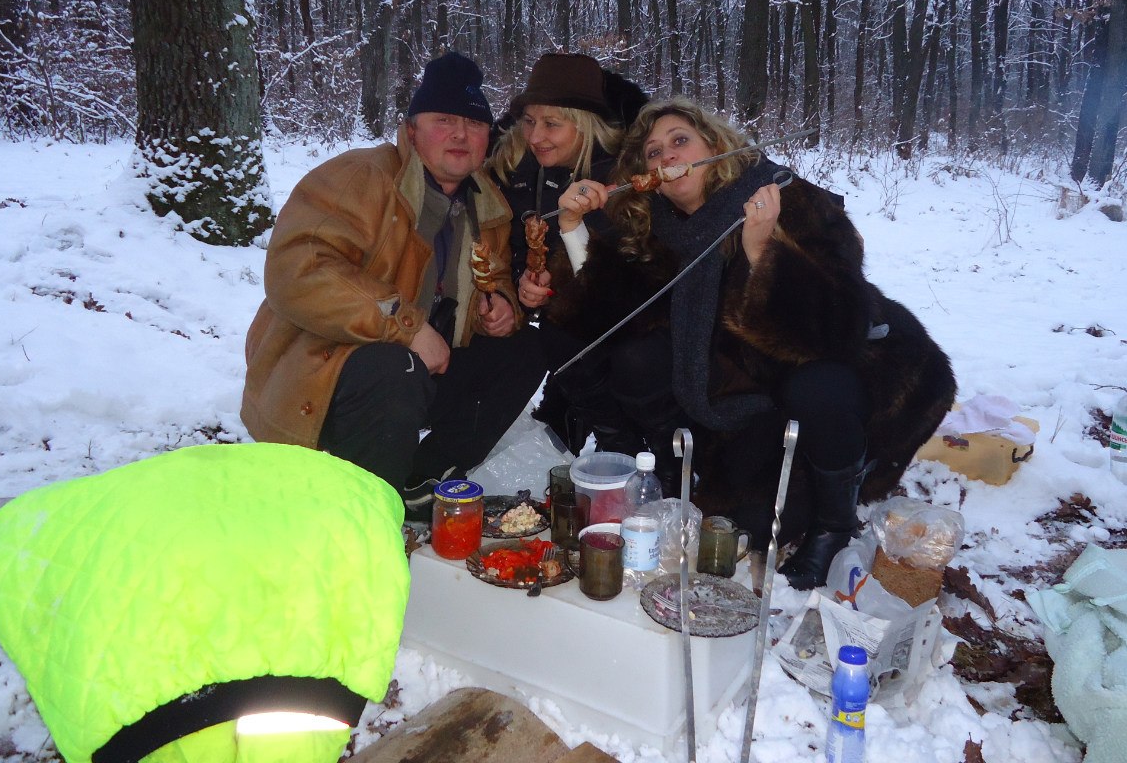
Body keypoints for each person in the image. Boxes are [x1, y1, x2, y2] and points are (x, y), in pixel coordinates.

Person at [545, 97, 956, 590]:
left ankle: (835, 521)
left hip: (859, 374)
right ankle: (674, 474)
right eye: (653, 153)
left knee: (815, 388)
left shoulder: (786, 198)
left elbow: (839, 326)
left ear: (714, 146)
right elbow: (610, 316)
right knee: (744, 526)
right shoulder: (660, 231)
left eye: (680, 141)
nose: (667, 157)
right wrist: (572, 227)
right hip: (751, 403)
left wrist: (763, 253)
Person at [240, 52, 545, 513]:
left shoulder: (486, 203)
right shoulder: (361, 176)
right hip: (329, 366)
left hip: (426, 365)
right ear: (411, 130)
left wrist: (500, 304)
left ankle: (424, 478)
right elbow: (299, 268)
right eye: (444, 120)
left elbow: (494, 273)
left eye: (474, 123)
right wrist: (406, 326)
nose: (460, 134)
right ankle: (364, 512)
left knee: (526, 349)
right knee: (394, 367)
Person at [485, 52, 647, 453]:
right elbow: (506, 244)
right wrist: (523, 280)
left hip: (621, 314)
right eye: (529, 121)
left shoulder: (621, 173)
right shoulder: (511, 164)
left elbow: (622, 271)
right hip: (551, 316)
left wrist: (556, 278)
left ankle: (619, 443)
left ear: (585, 122)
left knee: (564, 333)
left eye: (552, 124)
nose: (535, 135)